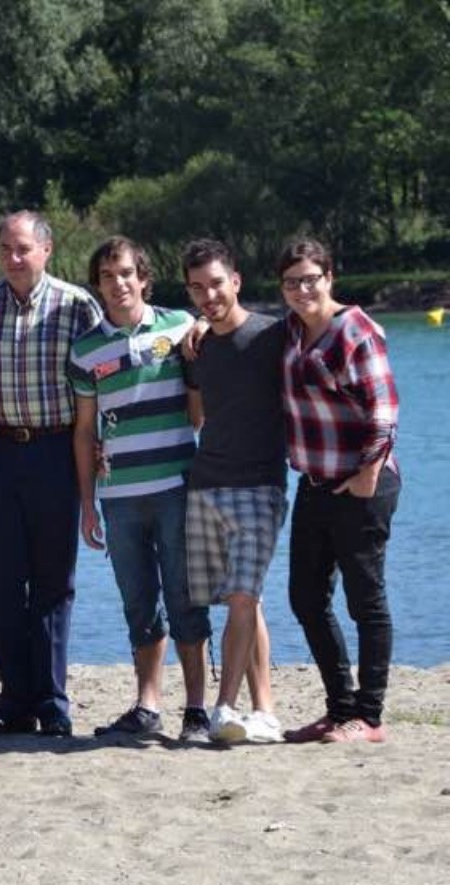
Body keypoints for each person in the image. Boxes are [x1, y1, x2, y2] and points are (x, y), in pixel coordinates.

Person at [68, 236, 212, 742]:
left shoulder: (179, 326)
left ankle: (196, 710)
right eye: (107, 277)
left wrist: (203, 326)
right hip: (118, 496)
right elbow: (84, 432)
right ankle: (148, 706)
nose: (118, 284)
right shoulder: (85, 350)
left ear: (144, 278)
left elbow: (202, 394)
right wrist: (87, 503)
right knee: (139, 603)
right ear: (97, 286)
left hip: (177, 487)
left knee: (186, 598)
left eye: (127, 273)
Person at [0, 211, 103, 738]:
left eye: (23, 248)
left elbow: (102, 379)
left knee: (53, 583)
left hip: (56, 452)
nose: (13, 258)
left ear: (46, 250)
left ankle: (52, 701)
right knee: (2, 584)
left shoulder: (76, 305)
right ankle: (14, 702)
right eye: (5, 248)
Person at [277, 238, 401, 744]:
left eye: (310, 279)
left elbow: (384, 411)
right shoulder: (290, 330)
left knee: (365, 601)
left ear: (329, 277)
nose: (302, 289)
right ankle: (339, 708)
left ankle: (369, 717)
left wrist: (368, 473)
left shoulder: (356, 330)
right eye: (292, 282)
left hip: (362, 484)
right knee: (306, 598)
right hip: (314, 484)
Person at [180, 238, 288, 744]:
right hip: (206, 485)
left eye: (217, 284)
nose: (209, 296)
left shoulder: (274, 335)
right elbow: (193, 415)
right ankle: (265, 710)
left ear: (237, 281)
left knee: (243, 595)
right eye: (197, 288)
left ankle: (223, 707)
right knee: (244, 601)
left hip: (260, 486)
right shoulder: (195, 346)